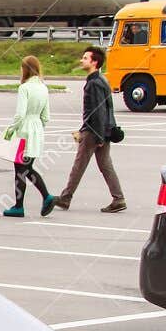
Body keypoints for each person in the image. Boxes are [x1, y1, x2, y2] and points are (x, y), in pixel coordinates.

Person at [58, 46, 126, 213]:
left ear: (95, 62)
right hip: (103, 130)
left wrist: (97, 136)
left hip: (94, 132)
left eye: (85, 58)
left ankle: (66, 197)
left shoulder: (94, 83)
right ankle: (119, 199)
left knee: (79, 164)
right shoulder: (101, 79)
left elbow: (98, 112)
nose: (82, 61)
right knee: (105, 165)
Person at [1, 55, 55, 218]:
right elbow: (46, 116)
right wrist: (38, 128)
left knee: (19, 169)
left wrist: (10, 129)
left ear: (25, 69)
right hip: (37, 130)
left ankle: (21, 205)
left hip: (23, 132)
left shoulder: (24, 88)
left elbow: (20, 114)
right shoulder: (43, 88)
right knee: (27, 168)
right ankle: (45, 198)